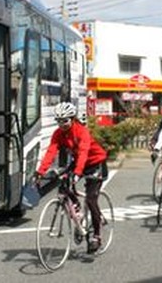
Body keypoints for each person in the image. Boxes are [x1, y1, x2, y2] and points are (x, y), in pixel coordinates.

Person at [34, 102, 108, 254]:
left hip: (95, 163)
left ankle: (97, 236)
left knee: (91, 199)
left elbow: (83, 153)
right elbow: (51, 152)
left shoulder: (82, 132)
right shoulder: (58, 134)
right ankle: (78, 212)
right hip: (79, 162)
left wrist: (77, 173)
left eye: (65, 121)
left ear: (73, 119)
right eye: (59, 121)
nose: (62, 125)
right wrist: (40, 172)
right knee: (64, 184)